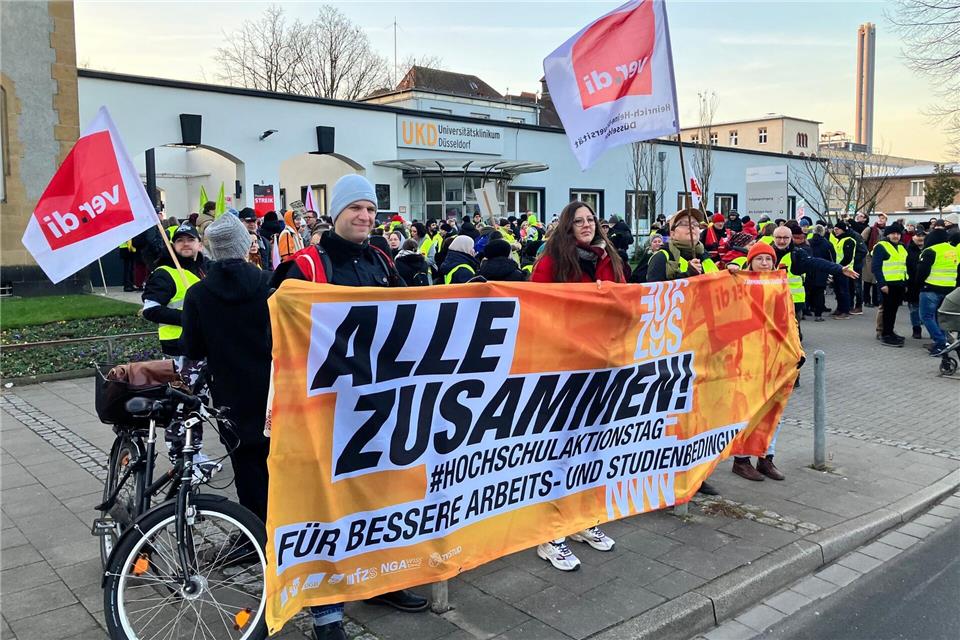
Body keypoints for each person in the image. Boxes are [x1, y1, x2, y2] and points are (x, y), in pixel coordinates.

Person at [270, 174, 427, 640]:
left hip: (378, 405)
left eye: (371, 209)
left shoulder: (381, 260)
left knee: (381, 498)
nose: (365, 216)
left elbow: (411, 316)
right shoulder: (305, 266)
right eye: (356, 208)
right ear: (336, 212)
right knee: (325, 508)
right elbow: (275, 329)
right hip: (324, 411)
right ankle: (327, 612)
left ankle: (380, 581)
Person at [529, 200, 621, 570]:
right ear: (567, 227)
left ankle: (583, 520)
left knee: (592, 448)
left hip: (601, 365)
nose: (586, 225)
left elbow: (628, 302)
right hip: (563, 368)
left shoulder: (608, 258)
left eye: (590, 219)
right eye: (578, 221)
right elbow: (536, 309)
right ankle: (550, 534)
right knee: (561, 450)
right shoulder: (552, 262)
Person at [181, 213, 272, 526]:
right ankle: (281, 528)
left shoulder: (198, 294)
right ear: (246, 245)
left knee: (244, 465)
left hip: (229, 393)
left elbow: (193, 350)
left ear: (212, 250)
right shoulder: (270, 284)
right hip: (273, 390)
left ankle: (253, 530)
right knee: (276, 461)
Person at [141, 223, 208, 357]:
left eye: (190, 239)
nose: (185, 244)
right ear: (173, 246)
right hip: (177, 345)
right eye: (180, 240)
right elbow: (150, 310)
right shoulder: (164, 273)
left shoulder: (206, 269)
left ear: (200, 245)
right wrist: (189, 318)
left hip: (205, 341)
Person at [645, 208, 719, 283]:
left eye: (695, 224)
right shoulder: (661, 258)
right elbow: (655, 289)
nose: (691, 226)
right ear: (673, 234)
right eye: (684, 224)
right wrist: (687, 274)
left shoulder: (705, 256)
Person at [917, 228, 960, 356]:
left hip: (931, 288)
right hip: (949, 289)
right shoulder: (954, 251)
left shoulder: (930, 251)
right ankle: (945, 341)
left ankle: (940, 342)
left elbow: (922, 271)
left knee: (926, 316)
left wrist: (918, 285)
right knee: (940, 317)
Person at [872, 223, 908, 347]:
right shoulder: (881, 246)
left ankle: (890, 331)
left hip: (899, 283)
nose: (896, 236)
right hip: (888, 284)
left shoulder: (902, 247)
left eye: (898, 234)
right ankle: (885, 334)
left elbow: (904, 266)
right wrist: (882, 284)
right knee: (887, 311)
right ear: (888, 234)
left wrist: (905, 283)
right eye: (893, 233)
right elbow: (876, 267)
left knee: (893, 311)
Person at [806, 225, 835, 321]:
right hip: (822, 271)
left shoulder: (808, 242)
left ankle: (805, 312)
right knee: (819, 293)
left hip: (809, 270)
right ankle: (818, 315)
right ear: (823, 232)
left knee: (807, 291)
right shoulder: (828, 244)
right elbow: (832, 259)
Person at [830, 221, 857, 318]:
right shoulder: (839, 240)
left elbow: (848, 257)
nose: (835, 231)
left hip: (846, 270)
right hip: (838, 269)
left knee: (844, 291)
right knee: (838, 290)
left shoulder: (849, 240)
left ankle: (845, 311)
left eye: (837, 229)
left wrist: (839, 267)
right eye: (834, 229)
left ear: (843, 230)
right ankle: (839, 308)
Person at [905, 228, 926, 339]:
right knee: (914, 308)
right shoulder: (908, 250)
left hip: (926, 284)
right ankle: (916, 329)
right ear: (913, 237)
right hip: (912, 284)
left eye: (922, 235)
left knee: (928, 310)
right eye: (918, 235)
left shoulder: (929, 249)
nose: (920, 238)